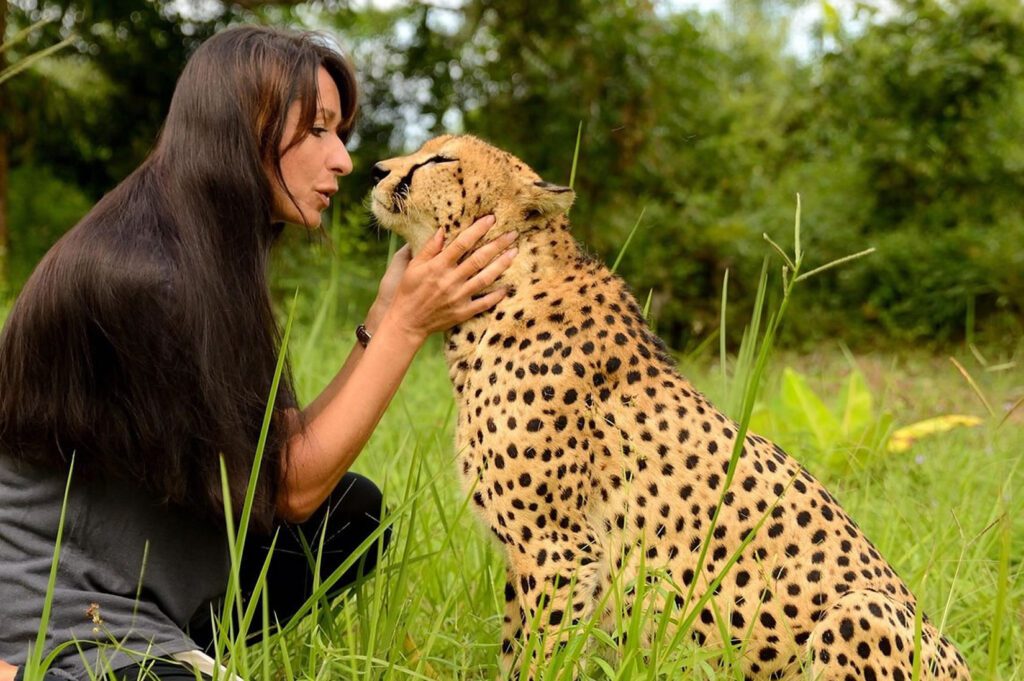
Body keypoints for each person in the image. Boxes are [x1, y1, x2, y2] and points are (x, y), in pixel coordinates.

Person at [0, 25, 516, 681]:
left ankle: (187, 646)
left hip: (149, 579)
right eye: (319, 131)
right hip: (54, 612)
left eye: (341, 134)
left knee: (351, 515)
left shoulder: (204, 251)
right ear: (245, 128)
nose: (344, 161)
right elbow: (290, 489)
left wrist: (382, 317)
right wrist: (406, 326)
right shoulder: (147, 279)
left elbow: (276, 458)